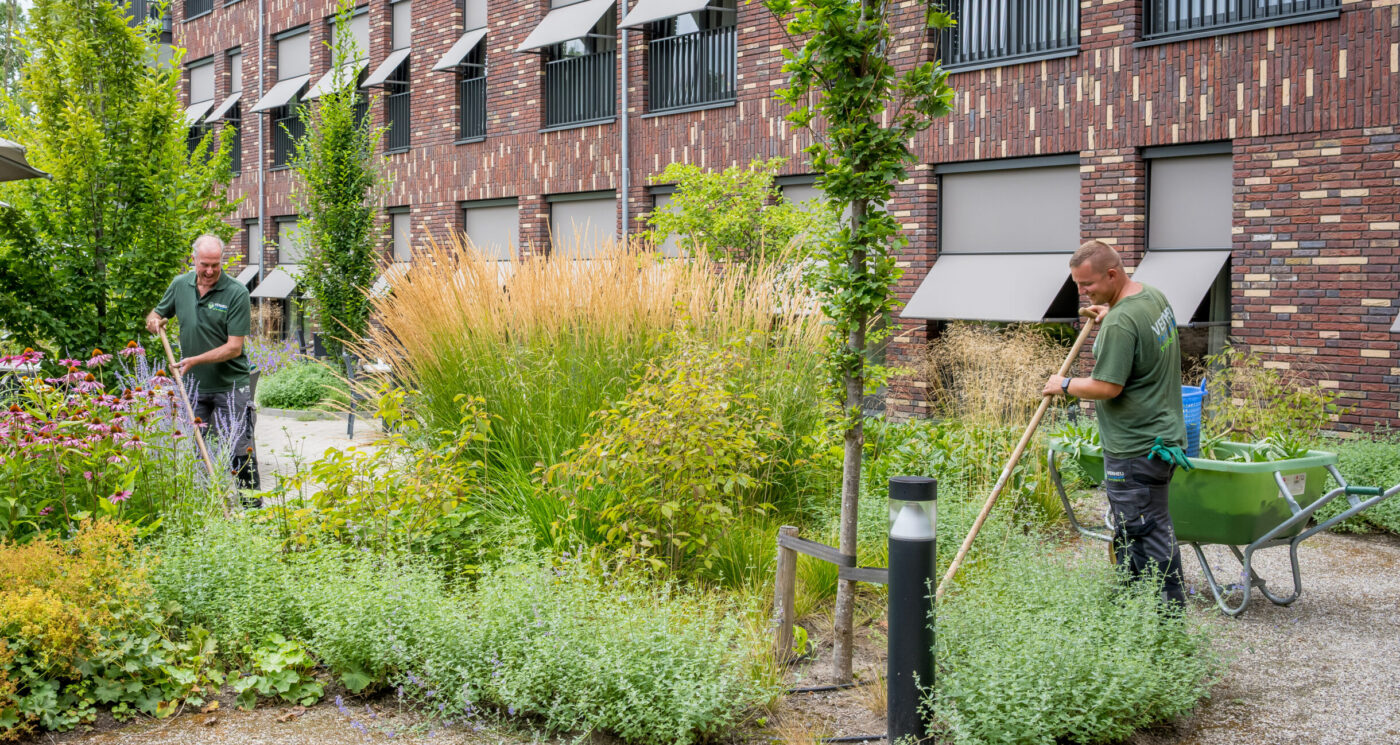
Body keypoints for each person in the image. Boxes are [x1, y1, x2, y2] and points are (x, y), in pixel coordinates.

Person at [1043, 239, 1189, 608]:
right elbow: (1140, 337)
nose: (1082, 292)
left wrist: (1063, 385)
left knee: (1146, 532)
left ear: (1112, 274)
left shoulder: (1121, 323)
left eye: (1087, 284)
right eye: (1077, 284)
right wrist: (1111, 313)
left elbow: (1107, 387)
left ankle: (1167, 623)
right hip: (1163, 436)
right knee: (1139, 528)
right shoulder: (1151, 297)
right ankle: (1133, 613)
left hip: (1135, 448)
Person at [145, 234, 261, 494]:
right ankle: (204, 505)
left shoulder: (236, 293)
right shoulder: (180, 285)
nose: (209, 271)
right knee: (192, 449)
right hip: (194, 387)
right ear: (193, 259)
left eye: (215, 265)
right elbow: (157, 313)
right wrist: (154, 321)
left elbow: (234, 347)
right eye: (204, 264)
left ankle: (252, 508)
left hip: (231, 387)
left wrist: (195, 360)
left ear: (222, 262)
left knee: (241, 448)